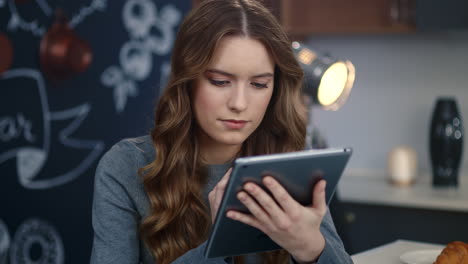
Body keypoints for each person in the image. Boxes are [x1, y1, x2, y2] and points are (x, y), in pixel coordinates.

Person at [90, 0, 353, 263]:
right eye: (220, 82)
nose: (239, 103)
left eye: (259, 84)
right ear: (187, 81)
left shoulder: (291, 161)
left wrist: (310, 247)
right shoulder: (126, 167)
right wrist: (217, 246)